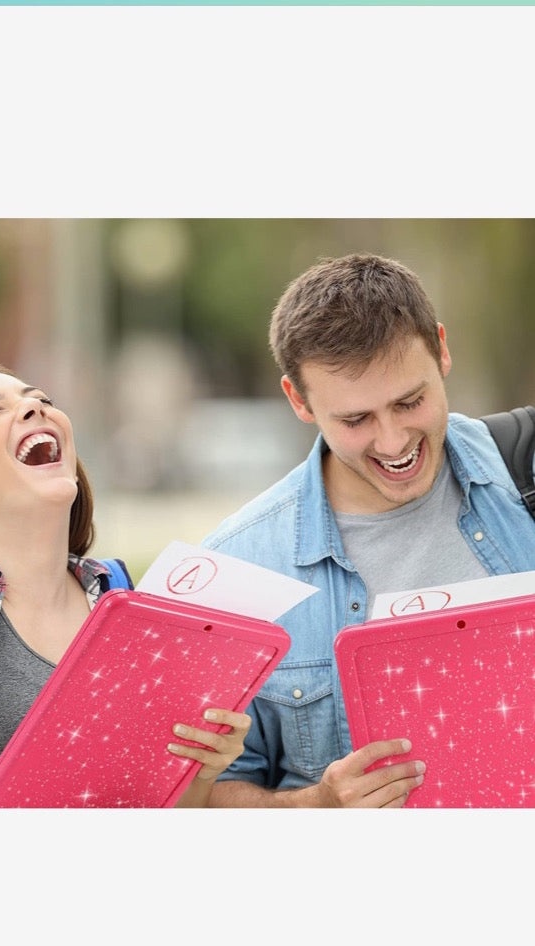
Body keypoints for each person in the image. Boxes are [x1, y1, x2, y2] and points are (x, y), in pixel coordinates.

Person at [202, 252, 535, 808]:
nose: (392, 441)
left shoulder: (524, 470)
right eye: (355, 420)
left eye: (410, 402)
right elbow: (199, 798)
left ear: (442, 349)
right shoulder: (238, 568)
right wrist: (320, 806)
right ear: (298, 399)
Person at [0, 362, 251, 809]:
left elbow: (168, 810)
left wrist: (201, 771)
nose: (34, 407)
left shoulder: (124, 602)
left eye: (43, 400)